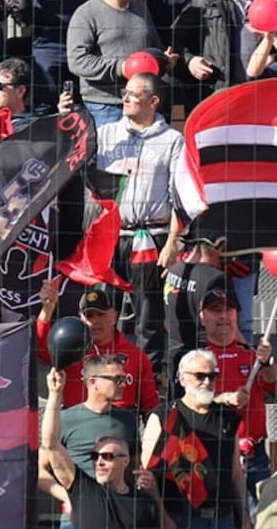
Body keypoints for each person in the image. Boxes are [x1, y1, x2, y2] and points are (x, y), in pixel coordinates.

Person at [92, 72, 184, 377]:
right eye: (125, 92)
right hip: (110, 235)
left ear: (153, 101)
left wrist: (172, 243)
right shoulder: (105, 134)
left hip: (151, 235)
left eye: (134, 94)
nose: (125, 98)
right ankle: (101, 372)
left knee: (148, 315)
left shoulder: (172, 140)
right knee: (102, 308)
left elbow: (179, 195)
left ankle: (149, 378)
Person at [41, 368, 162, 528]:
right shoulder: (83, 489)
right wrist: (55, 394)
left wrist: (149, 488)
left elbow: (137, 466)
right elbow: (51, 445)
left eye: (108, 456)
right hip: (82, 503)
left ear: (125, 459)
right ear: (93, 381)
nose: (99, 462)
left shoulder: (143, 503)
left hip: (125, 504)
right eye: (94, 456)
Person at [198, 287, 277, 513]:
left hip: (254, 454)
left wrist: (267, 362)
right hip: (213, 453)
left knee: (261, 517)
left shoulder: (251, 354)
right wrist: (224, 399)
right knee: (220, 517)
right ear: (203, 317)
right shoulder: (195, 358)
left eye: (229, 310)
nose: (224, 316)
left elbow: (272, 382)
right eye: (216, 310)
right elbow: (189, 402)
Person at [67, 0, 172, 126]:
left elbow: (154, 45)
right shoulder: (86, 14)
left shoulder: (140, 7)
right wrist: (121, 68)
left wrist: (164, 60)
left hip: (142, 103)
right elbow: (77, 61)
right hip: (106, 106)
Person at [172, 0, 277, 108]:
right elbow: (175, 40)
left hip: (262, 95)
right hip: (216, 95)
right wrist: (190, 61)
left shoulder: (274, 3)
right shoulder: (202, 2)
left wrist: (274, 59)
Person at [153, 349, 246, 529]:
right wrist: (163, 517)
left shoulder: (228, 417)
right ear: (182, 379)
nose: (207, 382)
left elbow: (236, 474)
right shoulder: (164, 415)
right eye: (199, 376)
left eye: (212, 376)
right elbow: (150, 473)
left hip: (224, 518)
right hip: (180, 517)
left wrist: (244, 517)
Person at [36, 285, 161, 413]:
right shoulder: (70, 349)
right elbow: (40, 348)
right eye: (89, 316)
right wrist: (47, 309)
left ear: (114, 316)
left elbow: (150, 404)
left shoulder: (135, 355)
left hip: (120, 421)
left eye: (100, 314)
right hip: (78, 420)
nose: (95, 321)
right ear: (81, 319)